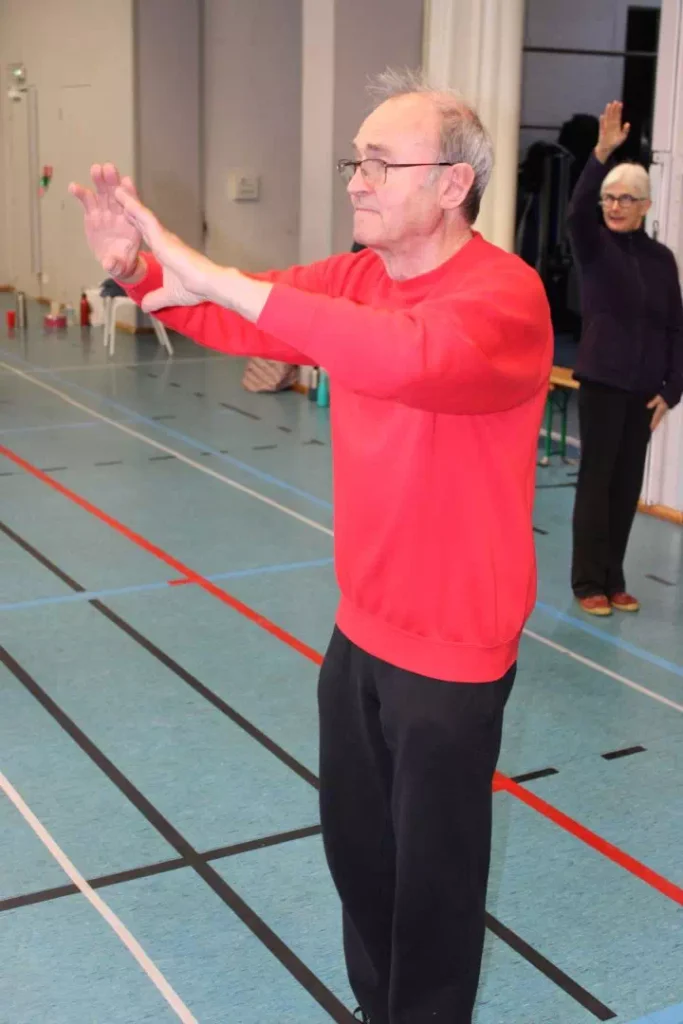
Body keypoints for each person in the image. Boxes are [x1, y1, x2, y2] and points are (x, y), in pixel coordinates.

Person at [71, 68, 552, 1024]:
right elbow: (235, 313)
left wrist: (218, 277)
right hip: (360, 631)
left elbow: (402, 355)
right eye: (354, 161)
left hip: (452, 654)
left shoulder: (505, 298)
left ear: (452, 185)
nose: (356, 180)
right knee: (359, 857)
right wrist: (141, 270)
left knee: (434, 889)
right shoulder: (359, 279)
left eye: (379, 163)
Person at [567, 101, 683, 617]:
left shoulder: (662, 261)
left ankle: (614, 578)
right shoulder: (594, 246)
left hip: (644, 393)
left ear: (645, 205)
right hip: (602, 383)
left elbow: (676, 327)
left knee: (626, 486)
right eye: (609, 198)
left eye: (625, 199)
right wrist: (600, 154)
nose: (614, 206)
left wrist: (672, 390)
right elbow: (577, 212)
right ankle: (588, 581)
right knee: (596, 484)